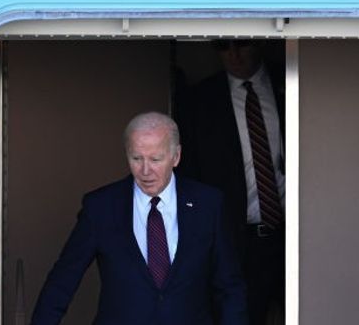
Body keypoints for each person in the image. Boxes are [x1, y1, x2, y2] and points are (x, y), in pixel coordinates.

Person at [31, 112, 247, 325]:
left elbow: (229, 286)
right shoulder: (101, 207)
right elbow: (63, 281)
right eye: (136, 158)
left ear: (176, 156)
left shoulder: (208, 204)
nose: (145, 171)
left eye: (155, 159)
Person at [177, 40, 285, 324]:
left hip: (296, 234)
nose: (233, 55)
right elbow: (190, 177)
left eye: (241, 44)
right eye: (223, 46)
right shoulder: (200, 101)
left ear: (259, 42)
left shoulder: (292, 82)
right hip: (240, 242)